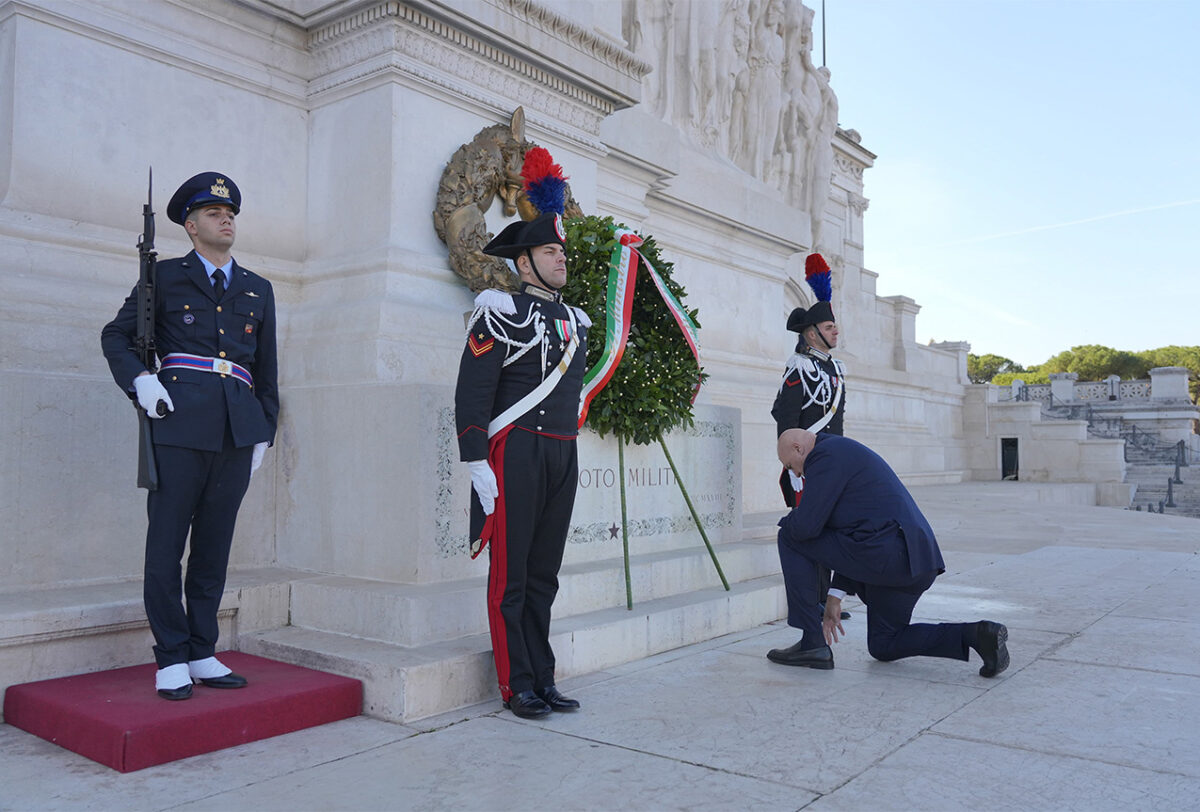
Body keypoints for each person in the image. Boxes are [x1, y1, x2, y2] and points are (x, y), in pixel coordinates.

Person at [101, 172, 278, 700]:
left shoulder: (257, 288)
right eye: (214, 213)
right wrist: (141, 380)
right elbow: (116, 335)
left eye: (231, 213)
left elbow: (267, 370)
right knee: (166, 544)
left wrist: (264, 431)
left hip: (237, 429)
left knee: (214, 548)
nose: (227, 219)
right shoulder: (164, 277)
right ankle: (171, 656)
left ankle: (203, 651)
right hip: (178, 424)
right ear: (190, 225)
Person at [454, 211, 591, 719]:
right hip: (514, 452)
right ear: (524, 262)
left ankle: (544, 677)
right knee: (510, 577)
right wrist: (476, 462)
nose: (562, 257)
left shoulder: (574, 321)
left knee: (544, 575)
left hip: (561, 451)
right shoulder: (498, 312)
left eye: (561, 251)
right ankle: (517, 684)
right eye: (551, 251)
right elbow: (472, 392)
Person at [768, 429, 1010, 677]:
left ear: (799, 448)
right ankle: (979, 635)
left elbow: (807, 527)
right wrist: (834, 596)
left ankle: (812, 643)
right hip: (915, 561)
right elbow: (849, 535)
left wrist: (784, 522)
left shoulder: (824, 456)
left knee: (789, 533)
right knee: (884, 643)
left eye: (790, 465)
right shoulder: (840, 451)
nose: (795, 473)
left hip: (891, 554)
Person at [772, 252, 847, 617]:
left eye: (835, 327)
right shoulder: (798, 367)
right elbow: (784, 417)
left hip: (830, 460)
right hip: (805, 465)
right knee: (809, 531)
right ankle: (813, 601)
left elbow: (838, 421)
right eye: (830, 327)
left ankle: (825, 598)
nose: (836, 332)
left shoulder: (837, 370)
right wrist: (792, 463)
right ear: (812, 332)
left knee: (830, 528)